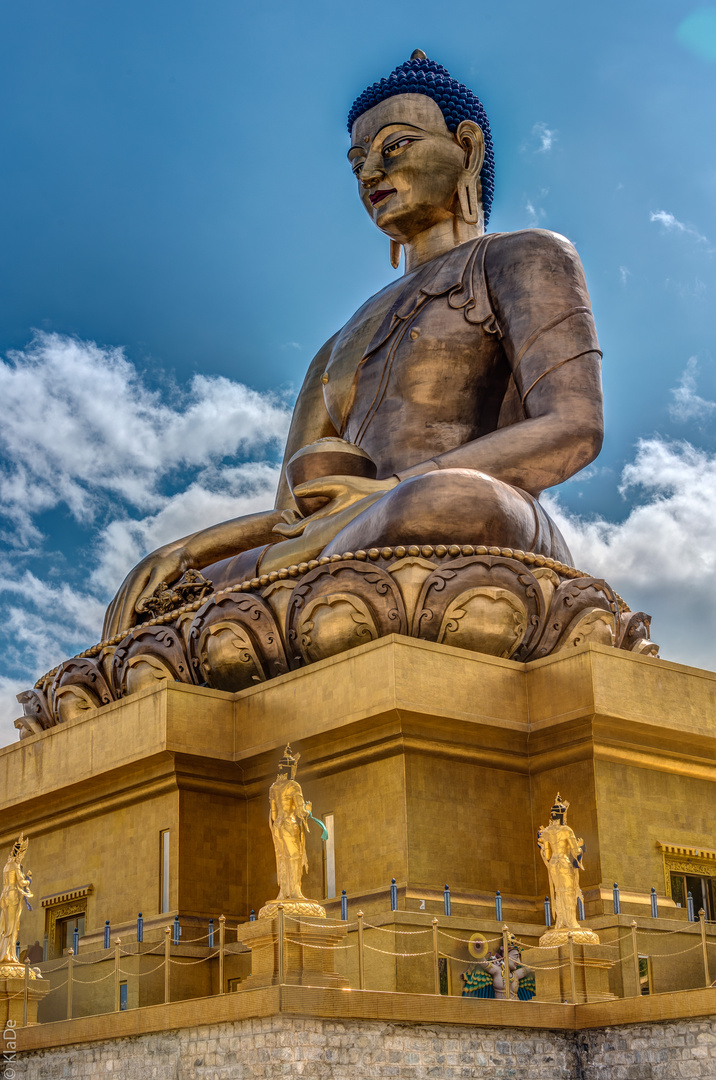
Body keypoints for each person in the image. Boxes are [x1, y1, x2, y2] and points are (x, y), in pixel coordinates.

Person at [104, 53, 603, 639]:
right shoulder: (335, 345)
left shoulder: (523, 256)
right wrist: (197, 550)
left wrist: (387, 493)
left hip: (471, 526)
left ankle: (263, 618)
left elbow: (574, 426)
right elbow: (295, 516)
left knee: (445, 500)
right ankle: (252, 614)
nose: (370, 172)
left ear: (467, 147)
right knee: (163, 591)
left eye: (394, 147)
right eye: (357, 160)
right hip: (338, 545)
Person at [267, 746, 312, 902]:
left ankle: (283, 892)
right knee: (293, 857)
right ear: (290, 769)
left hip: (278, 826)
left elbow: (273, 814)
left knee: (282, 857)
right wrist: (308, 810)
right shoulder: (293, 786)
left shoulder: (273, 788)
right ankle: (294, 892)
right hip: (289, 823)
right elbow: (301, 812)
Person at [537, 795, 585, 932]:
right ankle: (571, 922)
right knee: (568, 892)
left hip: (553, 863)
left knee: (559, 892)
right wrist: (581, 847)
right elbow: (575, 852)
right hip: (564, 861)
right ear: (562, 815)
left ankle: (560, 921)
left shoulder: (547, 831)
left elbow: (547, 854)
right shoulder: (566, 830)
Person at [0, 835, 33, 969]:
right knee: (12, 927)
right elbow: (21, 881)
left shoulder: (6, 866)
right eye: (22, 854)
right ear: (19, 853)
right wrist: (29, 879)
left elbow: (4, 883)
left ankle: (6, 953)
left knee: (5, 925)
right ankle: (8, 955)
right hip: (13, 896)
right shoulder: (15, 865)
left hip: (4, 895)